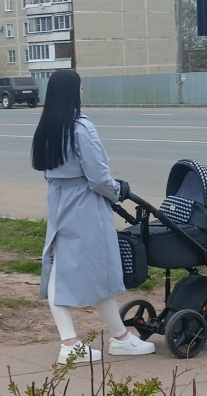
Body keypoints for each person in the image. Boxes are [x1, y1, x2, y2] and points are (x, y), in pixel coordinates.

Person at [31, 69, 155, 364]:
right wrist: (117, 191)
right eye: (81, 87)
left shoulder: (47, 127)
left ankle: (97, 338)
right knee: (100, 269)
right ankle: (96, 342)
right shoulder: (80, 128)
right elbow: (98, 177)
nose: (83, 91)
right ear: (73, 93)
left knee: (60, 268)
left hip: (59, 201)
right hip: (85, 204)